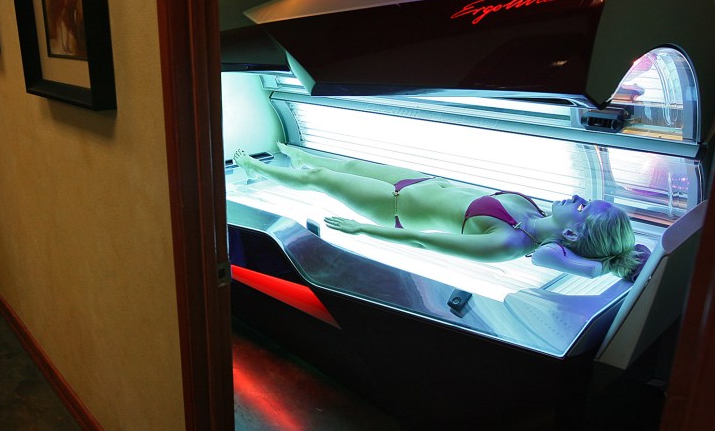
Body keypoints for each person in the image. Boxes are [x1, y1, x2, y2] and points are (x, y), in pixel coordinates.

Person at [233, 144, 641, 279]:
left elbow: (422, 239)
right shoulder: (532, 211)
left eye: (583, 208)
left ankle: (253, 166)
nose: (576, 196)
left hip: (390, 207)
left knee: (320, 177)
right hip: (418, 183)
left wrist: (361, 230)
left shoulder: (508, 242)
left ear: (571, 234)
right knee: (345, 165)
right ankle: (288, 152)